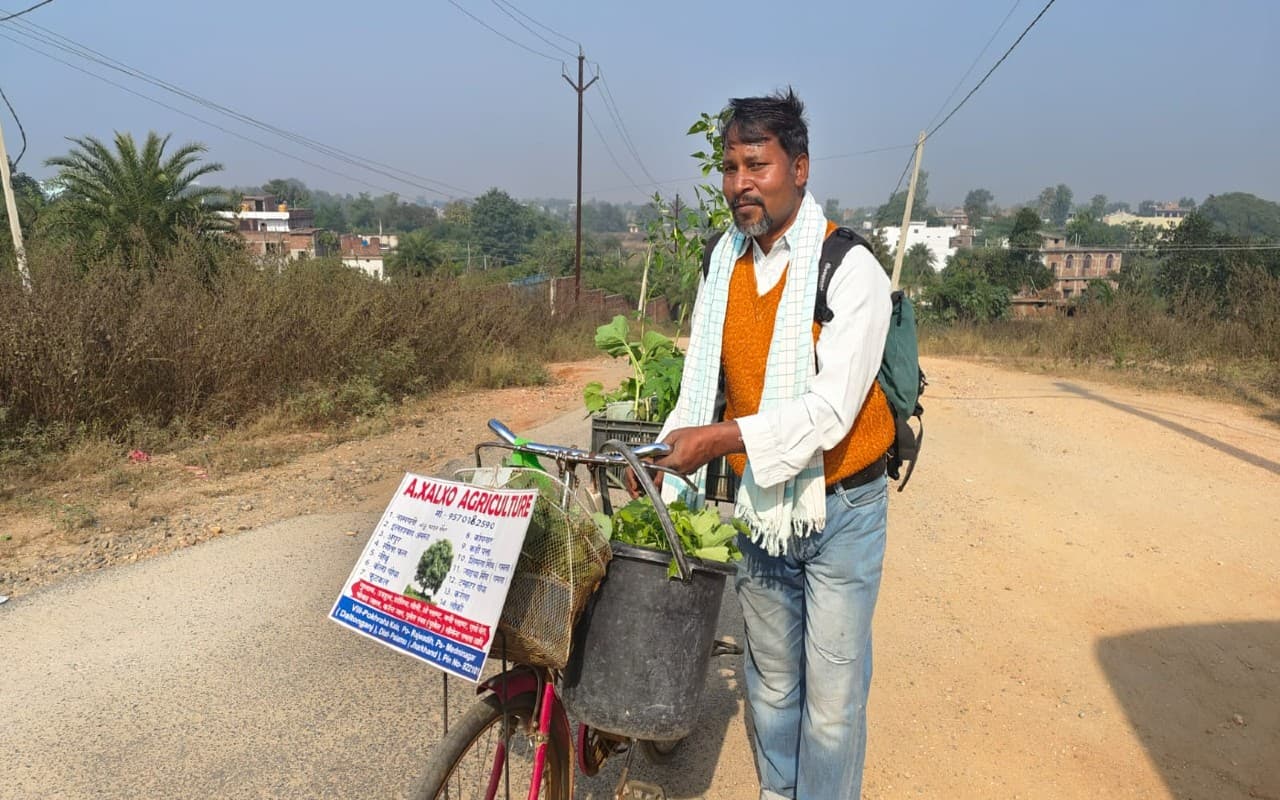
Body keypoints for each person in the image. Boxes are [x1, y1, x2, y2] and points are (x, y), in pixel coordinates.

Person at [651, 89, 894, 799]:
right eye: (729, 168)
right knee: (773, 686)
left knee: (831, 706)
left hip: (842, 508)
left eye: (756, 164)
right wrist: (665, 457)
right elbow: (703, 389)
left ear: (801, 167)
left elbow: (828, 413)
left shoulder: (848, 270)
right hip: (764, 504)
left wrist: (720, 441)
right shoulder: (723, 265)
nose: (739, 185)